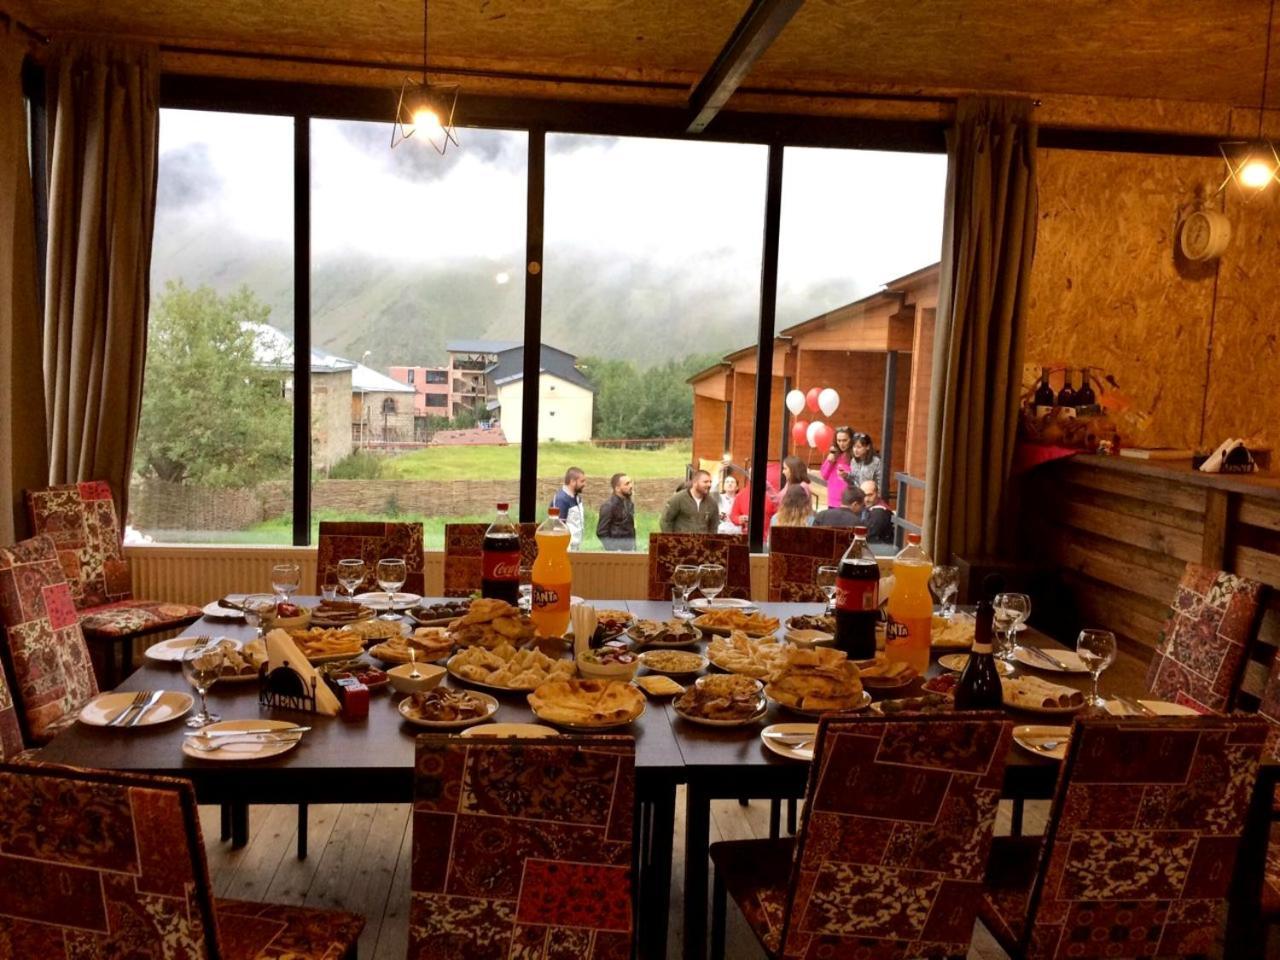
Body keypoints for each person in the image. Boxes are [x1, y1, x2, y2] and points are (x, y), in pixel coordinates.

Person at [660, 469, 719, 534]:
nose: (709, 485)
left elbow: (714, 526)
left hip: (702, 542)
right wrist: (671, 540)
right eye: (705, 482)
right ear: (695, 482)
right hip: (681, 542)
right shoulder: (678, 498)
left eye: (710, 482)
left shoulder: (712, 503)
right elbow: (666, 521)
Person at [596, 472, 635, 551]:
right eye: (627, 484)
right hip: (617, 553)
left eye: (631, 482)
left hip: (629, 551)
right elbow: (601, 532)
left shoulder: (629, 503)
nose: (631, 486)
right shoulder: (608, 506)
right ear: (617, 488)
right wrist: (614, 550)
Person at [818, 426, 855, 508]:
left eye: (845, 440)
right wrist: (829, 462)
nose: (841, 443)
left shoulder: (854, 457)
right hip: (832, 501)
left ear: (851, 440)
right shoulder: (834, 454)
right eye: (839, 440)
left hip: (848, 502)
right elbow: (824, 475)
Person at [550, 467, 586, 550]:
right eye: (582, 481)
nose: (584, 484)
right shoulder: (561, 499)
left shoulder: (577, 497)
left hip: (576, 547)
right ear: (572, 481)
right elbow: (558, 527)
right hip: (566, 549)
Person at [859, 478, 894, 543]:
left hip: (879, 548)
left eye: (870, 495)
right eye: (863, 495)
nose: (866, 499)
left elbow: (867, 535)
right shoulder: (867, 507)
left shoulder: (880, 513)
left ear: (877, 493)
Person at [716, 466, 744, 534]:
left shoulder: (741, 499)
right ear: (723, 486)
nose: (730, 483)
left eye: (732, 482)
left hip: (737, 531)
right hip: (722, 531)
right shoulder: (719, 498)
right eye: (727, 482)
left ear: (737, 487)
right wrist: (719, 472)